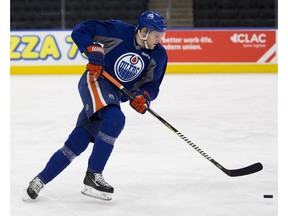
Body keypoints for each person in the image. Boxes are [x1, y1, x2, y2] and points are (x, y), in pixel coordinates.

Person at [22, 10, 168, 201]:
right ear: (144, 31)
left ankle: (39, 181)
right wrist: (92, 49)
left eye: (162, 35)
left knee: (78, 141)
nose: (160, 39)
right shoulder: (118, 30)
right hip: (95, 81)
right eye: (157, 35)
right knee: (115, 118)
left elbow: (152, 85)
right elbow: (81, 30)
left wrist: (144, 97)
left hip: (112, 97)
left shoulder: (159, 55)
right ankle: (93, 175)